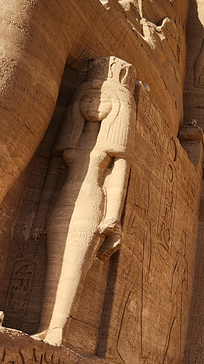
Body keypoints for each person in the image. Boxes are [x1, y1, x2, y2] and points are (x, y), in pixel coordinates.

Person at [32, 56, 136, 346]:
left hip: (92, 202)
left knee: (74, 268)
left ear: (119, 108)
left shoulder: (112, 149)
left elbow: (116, 181)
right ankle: (44, 326)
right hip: (62, 203)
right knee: (54, 267)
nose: (93, 104)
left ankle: (59, 329)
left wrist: (112, 218)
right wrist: (39, 215)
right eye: (87, 98)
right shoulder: (71, 141)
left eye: (103, 100)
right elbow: (51, 180)